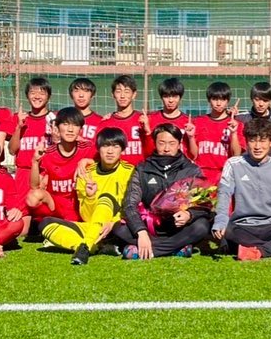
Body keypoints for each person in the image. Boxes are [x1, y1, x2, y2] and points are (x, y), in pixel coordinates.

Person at [116, 123, 214, 259]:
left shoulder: (191, 170)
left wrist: (189, 214)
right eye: (161, 143)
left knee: (201, 226)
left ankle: (148, 251)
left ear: (179, 144)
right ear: (155, 143)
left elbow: (204, 204)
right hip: (150, 226)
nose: (166, 148)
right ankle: (176, 248)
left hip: (178, 227)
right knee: (118, 228)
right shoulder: (142, 169)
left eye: (172, 143)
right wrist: (141, 231)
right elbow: (130, 204)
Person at [213, 118, 271, 260]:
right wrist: (220, 221)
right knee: (227, 230)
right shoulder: (233, 164)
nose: (257, 146)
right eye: (252, 140)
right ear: (246, 141)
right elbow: (224, 194)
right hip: (242, 227)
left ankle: (258, 251)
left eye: (262, 141)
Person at [41, 127, 134, 265]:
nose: (110, 151)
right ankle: (95, 247)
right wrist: (90, 197)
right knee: (46, 224)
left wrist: (113, 222)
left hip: (116, 227)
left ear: (122, 149)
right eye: (105, 146)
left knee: (106, 198)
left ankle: (85, 248)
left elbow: (133, 207)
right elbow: (86, 216)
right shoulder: (86, 174)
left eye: (115, 146)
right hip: (92, 227)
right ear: (98, 148)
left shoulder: (130, 172)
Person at [25, 107, 88, 237]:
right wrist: (35, 162)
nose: (70, 129)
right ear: (57, 128)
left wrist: (87, 161)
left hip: (79, 203)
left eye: (75, 125)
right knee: (32, 197)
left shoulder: (88, 149)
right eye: (65, 124)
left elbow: (108, 162)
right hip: (56, 204)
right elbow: (34, 186)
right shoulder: (48, 153)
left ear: (81, 129)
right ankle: (47, 223)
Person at [8, 76, 56, 203]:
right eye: (33, 92)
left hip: (46, 173)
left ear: (49, 96)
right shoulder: (20, 118)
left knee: (46, 210)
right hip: (24, 173)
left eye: (42, 93)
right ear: (27, 96)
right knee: (21, 210)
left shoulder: (55, 119)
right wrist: (19, 127)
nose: (37, 96)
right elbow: (12, 150)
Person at [186, 81, 239, 185]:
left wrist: (233, 133)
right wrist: (191, 137)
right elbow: (193, 155)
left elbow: (236, 154)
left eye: (222, 99)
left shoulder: (235, 124)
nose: (218, 103)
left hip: (224, 175)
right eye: (215, 99)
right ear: (209, 100)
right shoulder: (198, 122)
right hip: (201, 175)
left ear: (228, 101)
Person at [100, 75, 146, 165]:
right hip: (116, 172)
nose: (122, 96)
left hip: (140, 171)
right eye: (118, 91)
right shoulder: (105, 123)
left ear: (134, 95)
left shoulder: (143, 120)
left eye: (127, 91)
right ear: (113, 94)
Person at [142, 77, 190, 153]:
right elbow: (147, 151)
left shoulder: (188, 121)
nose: (170, 100)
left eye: (174, 96)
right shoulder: (150, 119)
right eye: (166, 96)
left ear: (180, 97)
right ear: (161, 98)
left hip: (180, 160)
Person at [235, 81, 271, 147]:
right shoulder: (240, 118)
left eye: (265, 101)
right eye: (257, 100)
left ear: (270, 101)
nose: (261, 104)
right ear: (251, 99)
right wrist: (229, 114)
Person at [69, 77, 105, 151]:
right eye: (76, 91)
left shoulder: (101, 121)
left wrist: (85, 143)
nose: (81, 95)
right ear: (71, 95)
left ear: (92, 96)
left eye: (86, 91)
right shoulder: (63, 118)